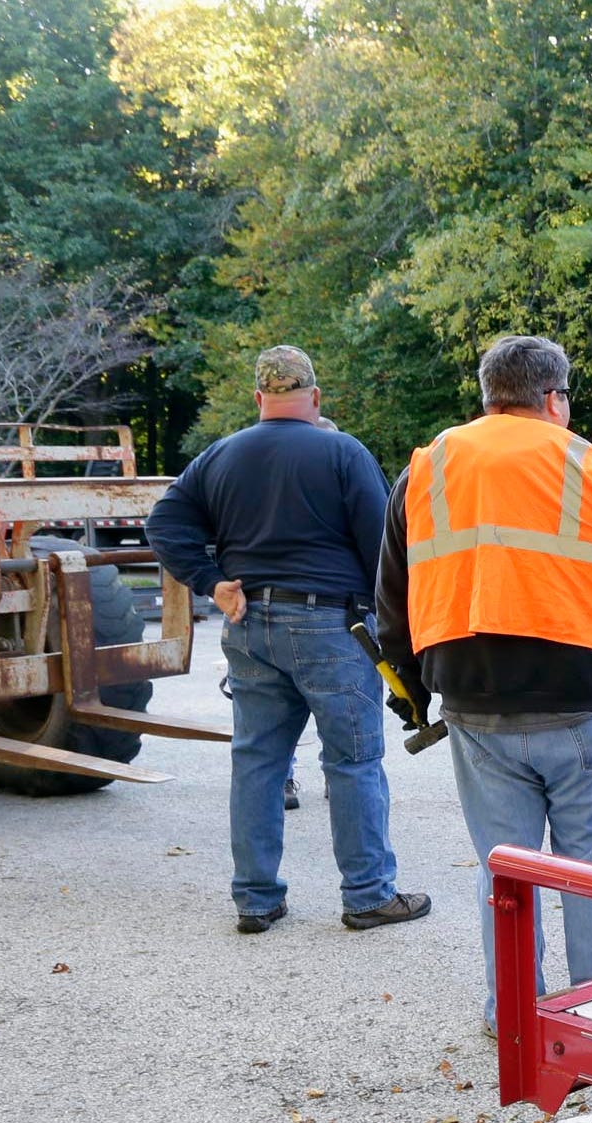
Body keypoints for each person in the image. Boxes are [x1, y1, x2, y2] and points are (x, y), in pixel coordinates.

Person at [374, 336, 592, 1031]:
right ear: (554, 398)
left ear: (490, 395)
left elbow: (393, 599)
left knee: (506, 868)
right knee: (591, 864)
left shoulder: (426, 470)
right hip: (580, 701)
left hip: (473, 705)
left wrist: (411, 691)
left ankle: (513, 1012)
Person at [145, 346, 429, 934]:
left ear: (258, 400)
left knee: (257, 762)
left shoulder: (220, 456)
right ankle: (369, 895)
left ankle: (255, 898)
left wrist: (212, 583)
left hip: (249, 624)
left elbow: (163, 524)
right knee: (352, 763)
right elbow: (384, 550)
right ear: (316, 396)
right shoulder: (342, 452)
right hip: (332, 627)